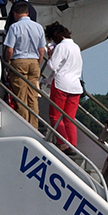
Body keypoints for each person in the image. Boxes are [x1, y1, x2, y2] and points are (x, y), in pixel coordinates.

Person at [3, 1, 45, 129]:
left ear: (15, 14)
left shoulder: (14, 27)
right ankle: (34, 126)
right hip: (34, 61)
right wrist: (38, 63)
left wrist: (7, 63)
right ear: (27, 13)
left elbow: (9, 49)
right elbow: (42, 50)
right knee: (32, 97)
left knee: (20, 98)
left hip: (19, 61)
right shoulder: (38, 27)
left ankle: (24, 126)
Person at [43, 22, 82, 155]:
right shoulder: (76, 47)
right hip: (75, 86)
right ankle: (73, 144)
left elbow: (52, 66)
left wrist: (51, 55)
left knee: (55, 115)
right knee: (70, 117)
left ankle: (63, 142)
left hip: (61, 84)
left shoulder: (61, 47)